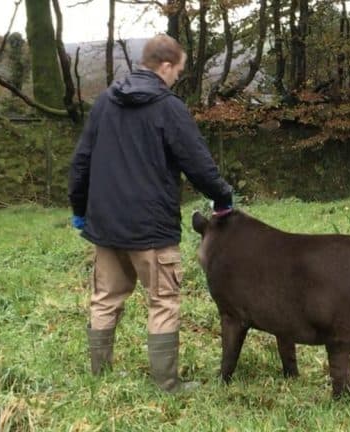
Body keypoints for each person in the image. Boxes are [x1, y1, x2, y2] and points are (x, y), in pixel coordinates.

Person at [68, 34, 233, 392]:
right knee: (163, 301)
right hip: (152, 231)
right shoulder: (168, 107)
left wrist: (80, 210)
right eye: (178, 71)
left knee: (105, 298)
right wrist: (222, 198)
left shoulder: (104, 103)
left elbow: (81, 161)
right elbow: (198, 165)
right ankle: (167, 384)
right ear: (166, 66)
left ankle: (101, 375)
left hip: (105, 226)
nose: (177, 78)